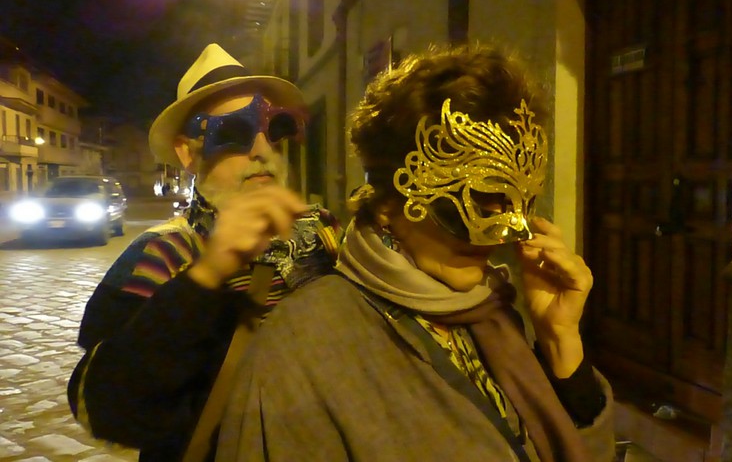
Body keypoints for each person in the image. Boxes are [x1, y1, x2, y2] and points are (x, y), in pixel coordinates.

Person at [216, 44, 615, 462]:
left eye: (520, 202)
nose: (508, 231)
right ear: (388, 202)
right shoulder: (307, 345)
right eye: (481, 200)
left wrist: (560, 340)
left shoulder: (491, 314)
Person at [67, 43, 342, 461]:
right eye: (232, 133)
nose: (261, 150)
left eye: (274, 129)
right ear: (187, 152)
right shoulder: (160, 255)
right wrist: (207, 275)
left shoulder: (324, 233)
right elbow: (107, 407)